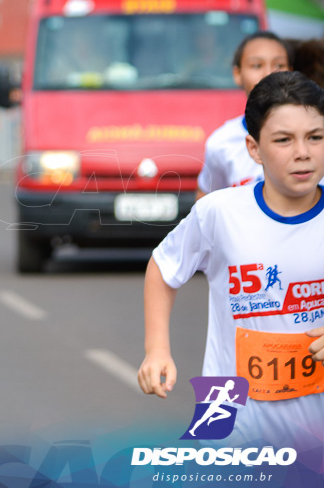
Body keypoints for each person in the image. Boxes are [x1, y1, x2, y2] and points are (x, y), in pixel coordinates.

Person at [138, 71, 324, 451]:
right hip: (227, 411)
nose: (302, 152)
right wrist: (157, 348)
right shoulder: (219, 213)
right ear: (254, 149)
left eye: (315, 137)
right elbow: (163, 266)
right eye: (283, 140)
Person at [196, 31, 291, 198]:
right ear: (237, 74)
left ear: (291, 71)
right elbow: (205, 204)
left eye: (278, 65)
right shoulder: (221, 143)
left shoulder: (316, 133)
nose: (268, 73)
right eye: (256, 65)